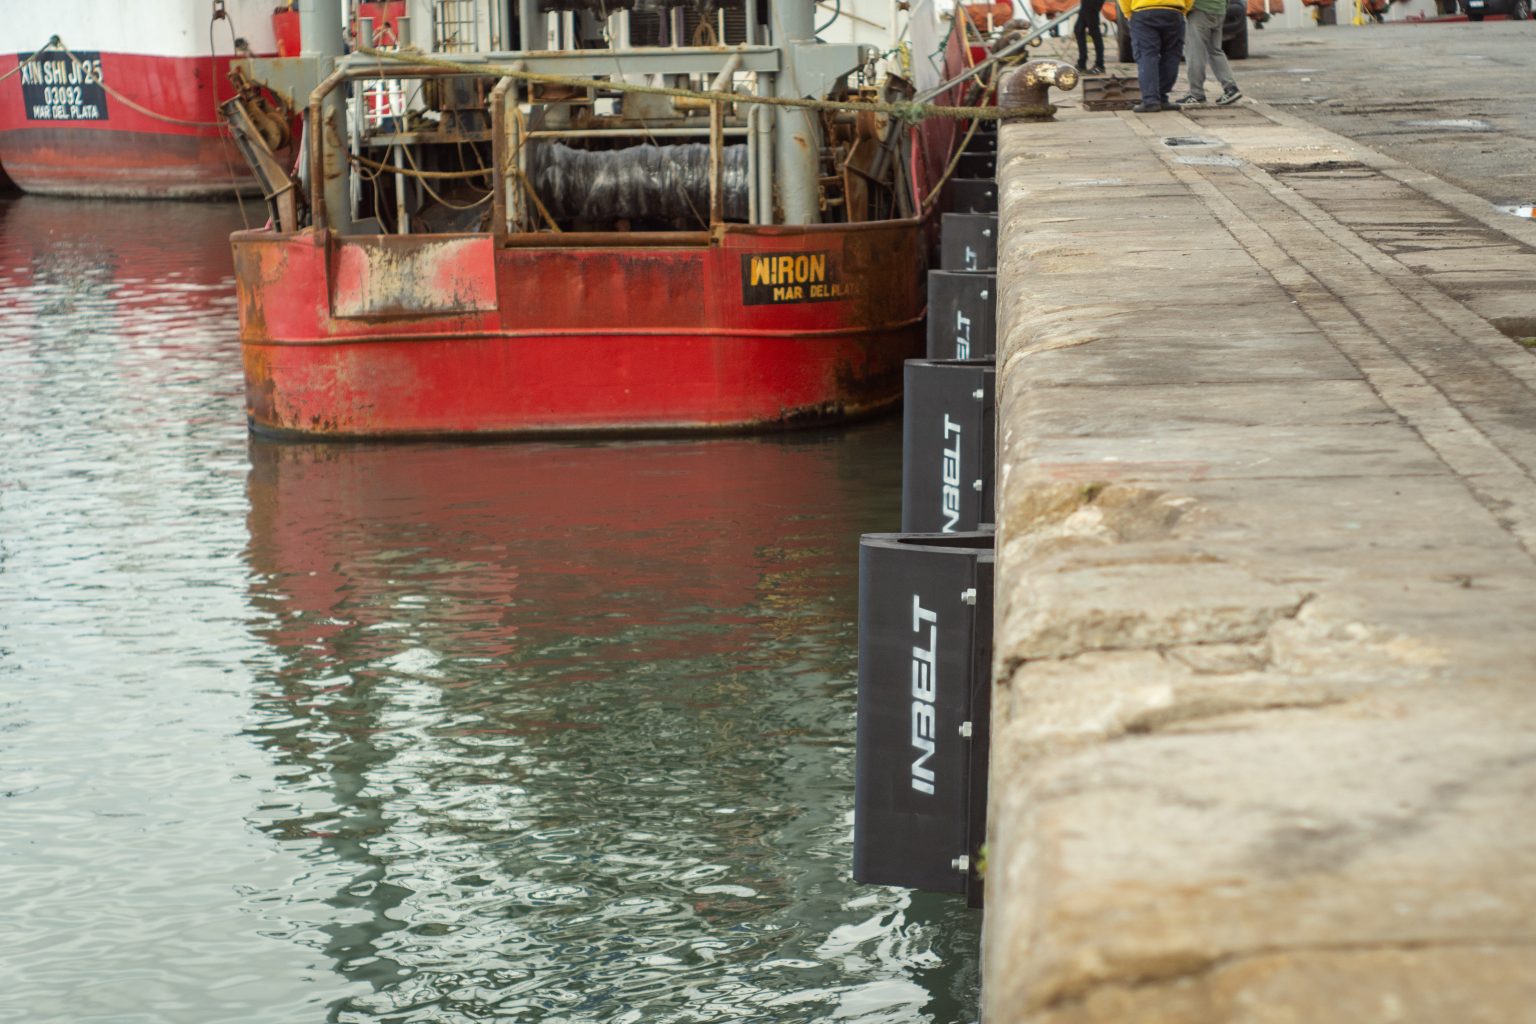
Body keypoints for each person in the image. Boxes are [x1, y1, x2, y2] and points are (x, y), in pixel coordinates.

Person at [1118, 0, 1194, 113]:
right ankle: (1162, 97)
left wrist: (1128, 13)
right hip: (1174, 11)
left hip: (1143, 12)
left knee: (1146, 55)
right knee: (1171, 55)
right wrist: (1184, 9)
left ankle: (1150, 101)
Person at [1174, 0, 1242, 106]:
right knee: (1215, 51)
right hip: (1219, 10)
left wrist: (1184, 9)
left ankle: (1196, 94)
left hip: (1200, 10)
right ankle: (1231, 88)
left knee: (1195, 52)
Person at [1075, 0, 1106, 74]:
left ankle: (1100, 65)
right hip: (1086, 3)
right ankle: (1082, 63)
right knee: (1078, 29)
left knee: (1094, 31)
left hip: (1092, 3)